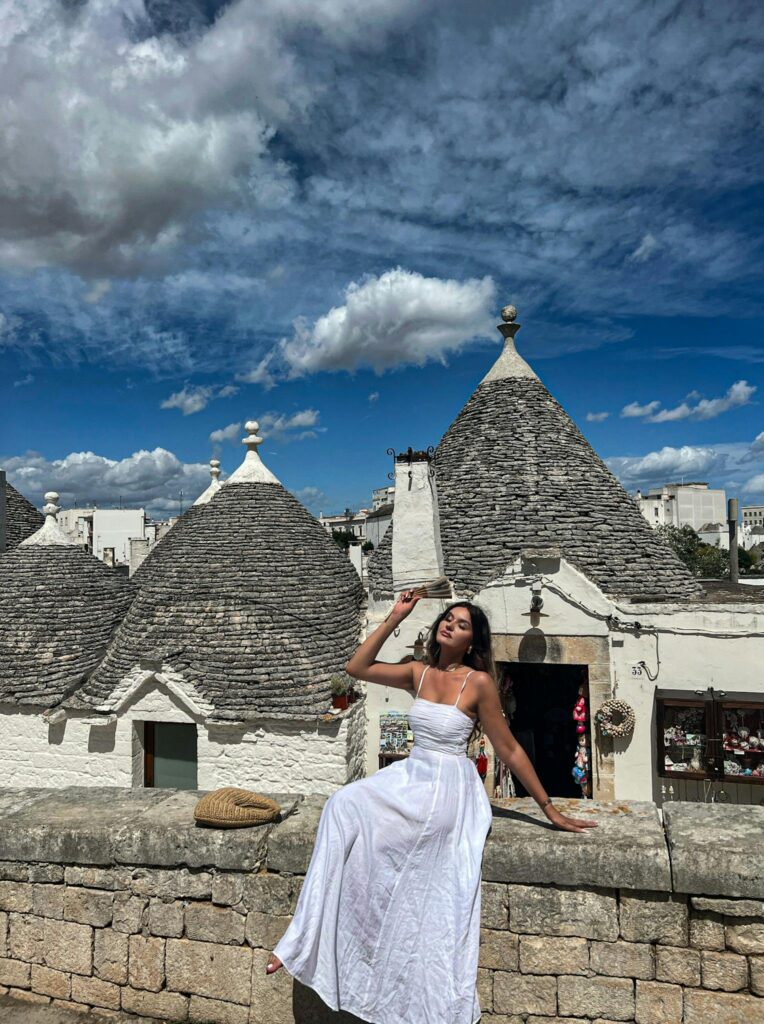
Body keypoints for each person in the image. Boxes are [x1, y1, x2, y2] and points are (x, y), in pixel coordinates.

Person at [266, 591, 597, 1023]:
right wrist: (395, 617)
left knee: (395, 850)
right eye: (449, 619)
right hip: (411, 773)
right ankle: (302, 939)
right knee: (342, 806)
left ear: (472, 642)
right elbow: (357, 667)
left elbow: (509, 748)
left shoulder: (478, 683)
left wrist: (549, 808)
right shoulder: (418, 673)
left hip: (447, 785)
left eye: (462, 625)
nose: (451, 626)